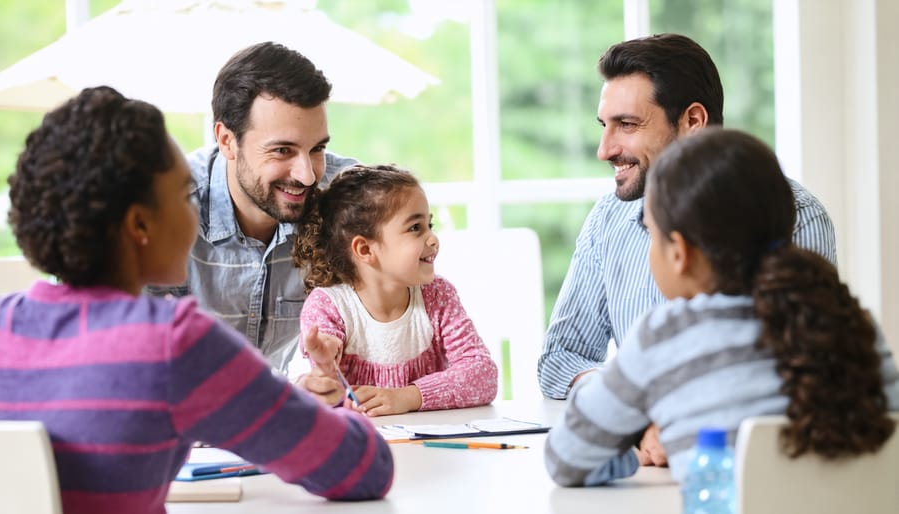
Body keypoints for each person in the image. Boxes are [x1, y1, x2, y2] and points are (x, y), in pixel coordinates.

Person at [1, 86, 393, 514]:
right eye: (184, 194)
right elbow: (362, 467)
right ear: (140, 224)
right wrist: (345, 409)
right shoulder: (176, 343)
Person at [544, 127, 899, 487]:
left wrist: (626, 450)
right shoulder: (855, 325)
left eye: (651, 232)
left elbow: (566, 460)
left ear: (679, 253)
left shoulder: (664, 338)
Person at [537, 33, 838, 405]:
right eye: (604, 125)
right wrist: (631, 405)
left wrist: (676, 419)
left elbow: (803, 372)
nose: (605, 150)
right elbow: (559, 360)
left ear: (693, 120)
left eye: (627, 124)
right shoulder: (609, 217)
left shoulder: (795, 217)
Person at [147, 41, 358, 378]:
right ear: (227, 140)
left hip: (275, 412)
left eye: (316, 148)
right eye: (282, 151)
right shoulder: (160, 211)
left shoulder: (348, 199)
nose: (307, 175)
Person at [287, 164, 499, 416]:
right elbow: (329, 391)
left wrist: (408, 397)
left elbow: (483, 374)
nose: (433, 239)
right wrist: (325, 369)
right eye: (415, 228)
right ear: (365, 250)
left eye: (429, 225)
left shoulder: (437, 296)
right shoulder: (328, 306)